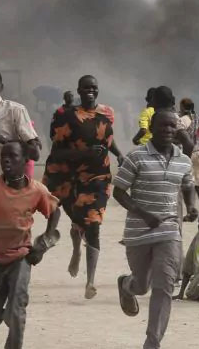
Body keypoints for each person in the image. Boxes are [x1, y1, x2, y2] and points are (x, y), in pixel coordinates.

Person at [113, 110, 199, 349]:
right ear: (151, 127)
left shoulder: (183, 160)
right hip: (138, 232)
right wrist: (144, 214)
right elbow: (118, 192)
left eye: (173, 126)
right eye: (163, 126)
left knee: (164, 285)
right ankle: (127, 285)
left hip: (169, 230)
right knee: (142, 286)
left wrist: (191, 207)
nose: (168, 130)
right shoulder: (136, 157)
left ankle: (152, 342)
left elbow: (188, 185)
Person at [0, 141, 61, 349]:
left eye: (13, 156)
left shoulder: (37, 190)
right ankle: (7, 313)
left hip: (21, 255)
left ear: (25, 161)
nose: (6, 160)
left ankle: (14, 328)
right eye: (3, 156)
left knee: (18, 307)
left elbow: (55, 211)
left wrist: (45, 240)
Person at [43, 75, 124, 299]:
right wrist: (84, 153)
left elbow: (108, 137)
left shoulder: (107, 113)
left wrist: (119, 154)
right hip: (70, 176)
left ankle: (90, 281)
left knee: (93, 223)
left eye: (94, 88)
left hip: (98, 176)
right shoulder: (67, 116)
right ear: (79, 90)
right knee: (78, 219)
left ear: (98, 90)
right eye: (86, 88)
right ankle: (77, 248)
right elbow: (57, 151)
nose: (90, 91)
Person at [179, 98, 199, 210]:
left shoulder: (183, 120)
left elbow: (180, 135)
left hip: (190, 152)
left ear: (182, 107)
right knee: (198, 183)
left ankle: (190, 210)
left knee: (187, 183)